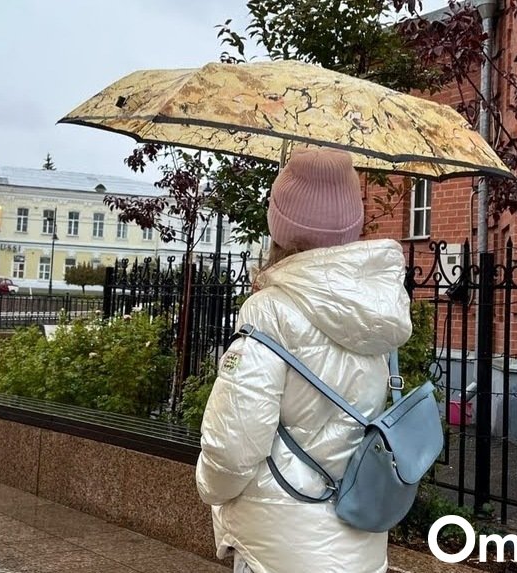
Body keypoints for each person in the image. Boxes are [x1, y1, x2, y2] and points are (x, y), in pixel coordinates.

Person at [195, 147, 412, 573]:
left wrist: (208, 486)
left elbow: (232, 450)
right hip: (359, 539)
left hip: (279, 545)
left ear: (278, 225)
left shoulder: (269, 314)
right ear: (352, 226)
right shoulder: (378, 309)